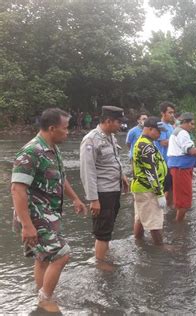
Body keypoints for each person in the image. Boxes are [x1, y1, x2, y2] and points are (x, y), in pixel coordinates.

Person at [11, 108, 87, 312]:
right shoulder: (31, 152)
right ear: (52, 128)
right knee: (62, 254)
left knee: (43, 257)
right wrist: (27, 225)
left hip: (49, 214)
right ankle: (45, 299)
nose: (68, 132)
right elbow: (17, 189)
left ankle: (42, 292)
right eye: (66, 128)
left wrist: (76, 199)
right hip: (35, 217)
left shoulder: (53, 149)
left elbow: (60, 178)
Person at [79, 105, 129, 266]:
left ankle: (104, 257)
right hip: (103, 192)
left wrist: (122, 176)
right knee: (102, 231)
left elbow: (112, 161)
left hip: (114, 189)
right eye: (118, 122)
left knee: (108, 227)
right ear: (108, 121)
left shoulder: (110, 137)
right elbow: (88, 171)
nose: (121, 125)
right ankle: (100, 264)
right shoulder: (91, 140)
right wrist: (93, 199)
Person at [131, 117, 168, 245]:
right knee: (155, 223)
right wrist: (160, 194)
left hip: (141, 187)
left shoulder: (144, 142)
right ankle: (160, 249)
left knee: (140, 218)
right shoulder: (146, 146)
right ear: (150, 129)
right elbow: (150, 172)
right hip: (147, 189)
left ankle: (138, 243)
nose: (160, 134)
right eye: (158, 131)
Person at [167, 112, 196, 222]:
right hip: (181, 169)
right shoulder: (182, 133)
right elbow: (191, 151)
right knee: (184, 200)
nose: (193, 127)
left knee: (180, 197)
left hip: (179, 167)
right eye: (192, 124)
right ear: (185, 122)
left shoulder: (177, 131)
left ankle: (178, 221)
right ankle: (179, 227)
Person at [155, 101, 176, 207]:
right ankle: (161, 211)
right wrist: (177, 141)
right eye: (170, 112)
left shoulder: (170, 126)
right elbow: (163, 142)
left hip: (170, 162)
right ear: (163, 113)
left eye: (173, 113)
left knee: (171, 188)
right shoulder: (160, 126)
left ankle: (169, 210)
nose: (172, 115)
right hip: (162, 162)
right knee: (163, 189)